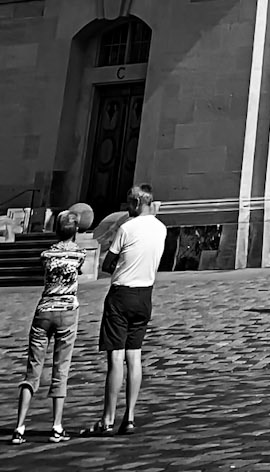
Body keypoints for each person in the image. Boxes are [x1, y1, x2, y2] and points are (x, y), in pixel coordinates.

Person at [92, 184, 168, 437]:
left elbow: (108, 262)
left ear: (137, 202)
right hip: (145, 295)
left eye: (128, 202)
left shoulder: (127, 227)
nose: (126, 207)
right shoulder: (161, 228)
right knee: (134, 357)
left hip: (121, 295)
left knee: (116, 358)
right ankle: (130, 417)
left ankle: (108, 419)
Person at [12, 210, 85, 445]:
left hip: (43, 310)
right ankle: (56, 426)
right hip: (66, 312)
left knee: (32, 370)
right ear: (76, 231)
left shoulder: (46, 254)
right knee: (60, 370)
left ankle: (20, 427)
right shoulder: (80, 255)